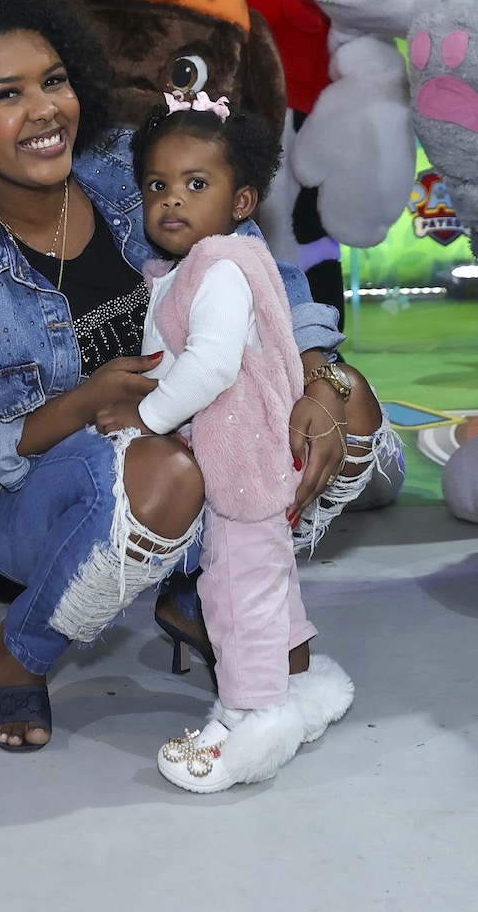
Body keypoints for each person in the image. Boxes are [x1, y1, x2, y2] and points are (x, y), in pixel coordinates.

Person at [0, 0, 400, 750]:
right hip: (40, 502)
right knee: (162, 471)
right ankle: (24, 647)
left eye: (54, 80)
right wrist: (80, 404)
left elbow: (265, 275)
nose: (44, 108)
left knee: (350, 405)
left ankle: (205, 586)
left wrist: (317, 372)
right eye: (7, 94)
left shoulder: (133, 170)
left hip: (195, 451)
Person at [100, 94, 358, 790]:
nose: (171, 199)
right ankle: (305, 685)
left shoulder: (216, 266)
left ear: (242, 200)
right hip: (252, 456)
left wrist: (147, 417)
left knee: (234, 590)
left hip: (240, 462)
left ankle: (252, 717)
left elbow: (211, 366)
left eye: (196, 183)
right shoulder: (208, 265)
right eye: (157, 184)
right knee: (268, 578)